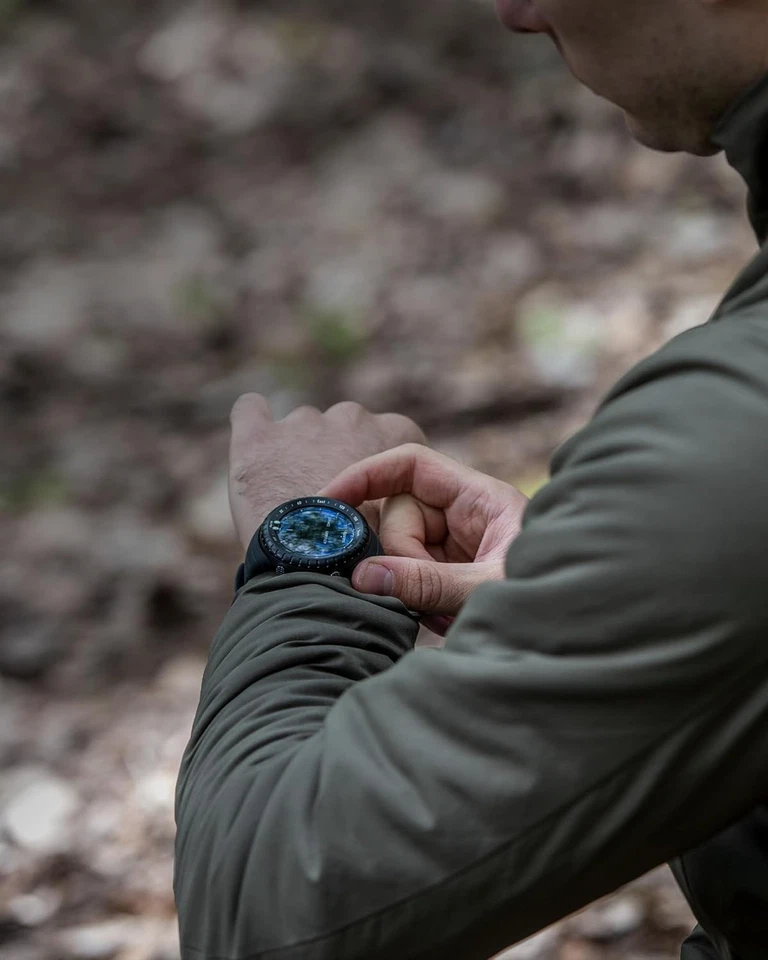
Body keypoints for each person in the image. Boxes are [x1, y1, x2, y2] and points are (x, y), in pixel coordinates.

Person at [173, 1, 768, 957]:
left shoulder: (740, 430)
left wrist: (306, 545)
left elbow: (260, 904)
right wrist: (604, 580)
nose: (516, 10)